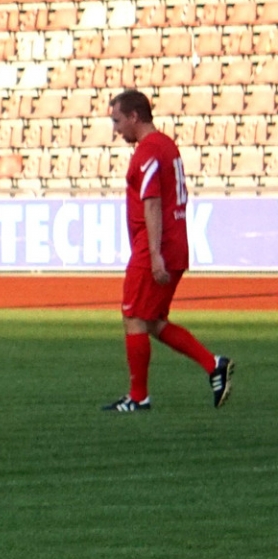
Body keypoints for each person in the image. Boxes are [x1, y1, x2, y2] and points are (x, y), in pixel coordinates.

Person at [103, 90, 234, 412]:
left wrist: (154, 253)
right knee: (152, 320)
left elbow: (152, 202)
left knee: (134, 317)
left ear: (134, 116)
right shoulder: (166, 145)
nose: (116, 129)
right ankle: (213, 364)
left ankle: (138, 397)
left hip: (156, 247)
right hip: (172, 244)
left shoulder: (148, 151)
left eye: (117, 121)